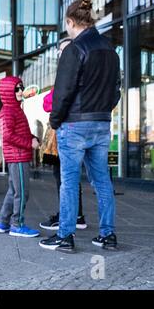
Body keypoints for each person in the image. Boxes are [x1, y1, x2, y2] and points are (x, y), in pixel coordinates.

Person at [39, 0, 121, 253]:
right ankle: (107, 235)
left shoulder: (75, 49)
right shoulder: (109, 49)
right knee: (102, 182)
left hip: (74, 125)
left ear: (70, 22)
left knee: (70, 182)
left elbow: (63, 92)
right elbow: (116, 90)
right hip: (101, 124)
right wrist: (103, 112)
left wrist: (54, 121)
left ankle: (65, 236)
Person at [39, 38, 87, 231]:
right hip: (73, 128)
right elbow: (48, 101)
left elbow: (51, 102)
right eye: (59, 51)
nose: (60, 54)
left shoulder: (71, 71)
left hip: (67, 129)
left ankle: (68, 218)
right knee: (71, 176)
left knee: (64, 177)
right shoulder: (74, 69)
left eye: (63, 49)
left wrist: (55, 109)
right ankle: (78, 215)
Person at [0, 76, 40, 237]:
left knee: (13, 190)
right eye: (17, 89)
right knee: (22, 193)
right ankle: (17, 225)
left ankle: (3, 222)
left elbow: (20, 132)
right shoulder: (8, 111)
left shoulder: (14, 110)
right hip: (18, 157)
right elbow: (8, 136)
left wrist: (33, 137)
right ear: (7, 92)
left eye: (21, 88)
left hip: (18, 156)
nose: (21, 91)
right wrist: (30, 144)